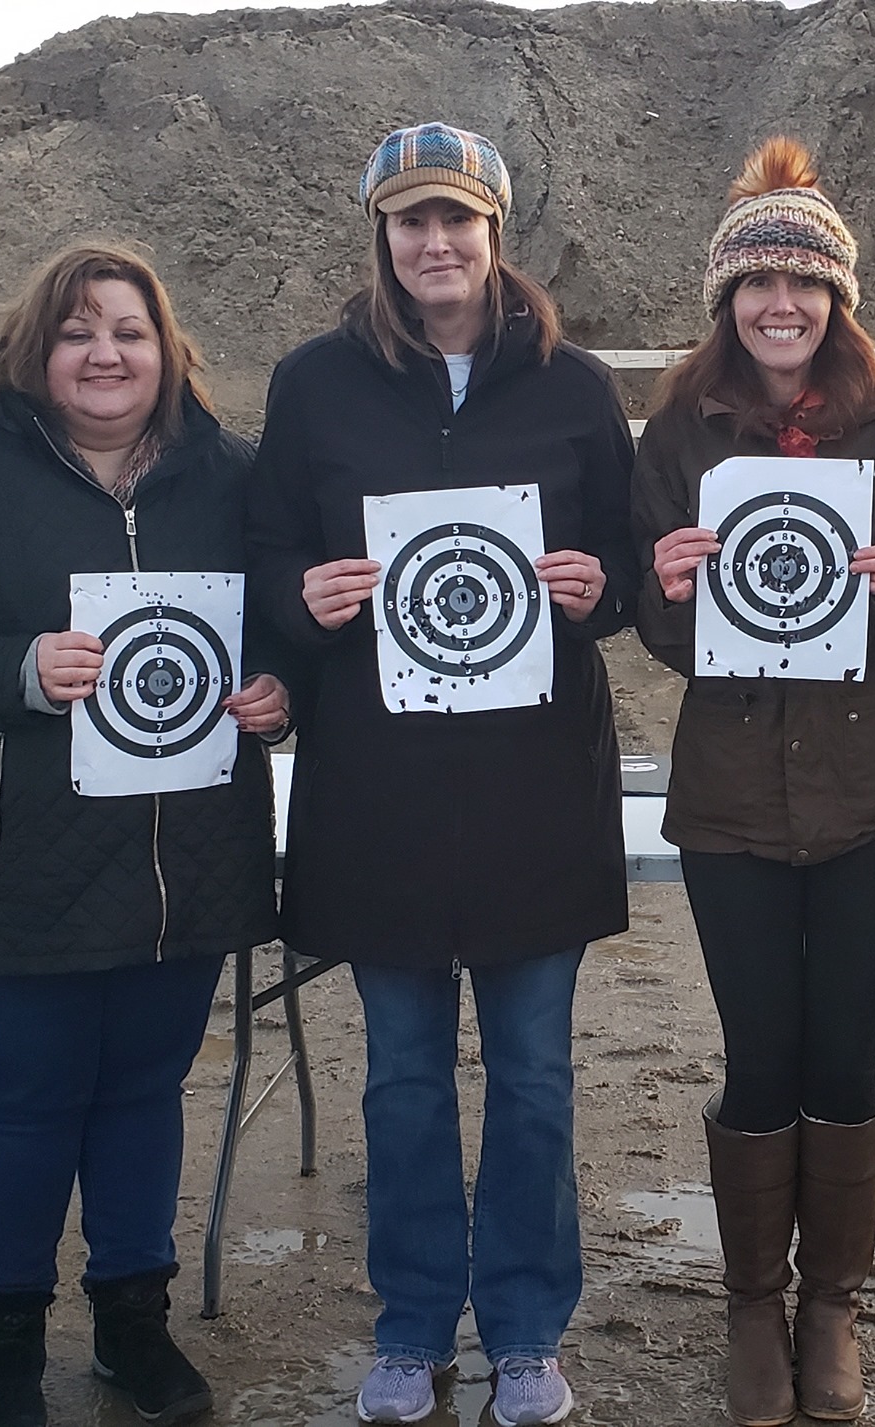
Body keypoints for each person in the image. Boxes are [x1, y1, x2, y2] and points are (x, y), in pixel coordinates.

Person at [0, 243, 290, 1427]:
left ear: (167, 348)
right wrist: (17, 670)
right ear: (37, 349)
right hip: (14, 851)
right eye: (80, 330)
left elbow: (283, 625)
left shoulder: (230, 475)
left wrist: (278, 689)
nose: (106, 353)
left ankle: (131, 1327)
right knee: (29, 1098)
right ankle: (4, 1339)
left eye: (130, 331)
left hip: (184, 850)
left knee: (147, 1091)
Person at [249, 122, 640, 1427]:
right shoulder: (315, 385)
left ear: (493, 233)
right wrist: (301, 599)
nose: (435, 243)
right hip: (379, 788)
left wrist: (600, 586)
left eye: (456, 220)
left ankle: (527, 1325)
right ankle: (413, 1320)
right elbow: (266, 566)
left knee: (533, 1074)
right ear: (381, 235)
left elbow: (630, 564)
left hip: (537, 786)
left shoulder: (574, 385)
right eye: (411, 221)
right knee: (404, 1075)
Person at [629, 138, 875, 1426]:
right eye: (755, 287)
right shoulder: (679, 432)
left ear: (839, 298)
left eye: (805, 286)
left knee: (844, 1055)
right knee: (757, 1055)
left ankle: (829, 1302)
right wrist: (666, 584)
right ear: (725, 301)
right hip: (732, 796)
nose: (780, 307)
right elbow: (657, 624)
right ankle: (749, 1305)